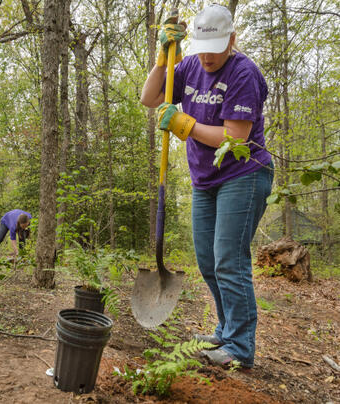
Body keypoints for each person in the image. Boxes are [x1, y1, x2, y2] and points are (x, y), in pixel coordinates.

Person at [140, 4, 273, 369]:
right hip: (205, 180)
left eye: (217, 46)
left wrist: (184, 124)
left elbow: (236, 137)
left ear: (232, 39)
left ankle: (240, 347)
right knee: (209, 261)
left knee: (229, 259)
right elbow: (149, 99)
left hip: (244, 174)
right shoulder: (191, 65)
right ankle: (227, 328)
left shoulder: (244, 73)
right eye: (203, 47)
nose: (210, 56)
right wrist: (163, 62)